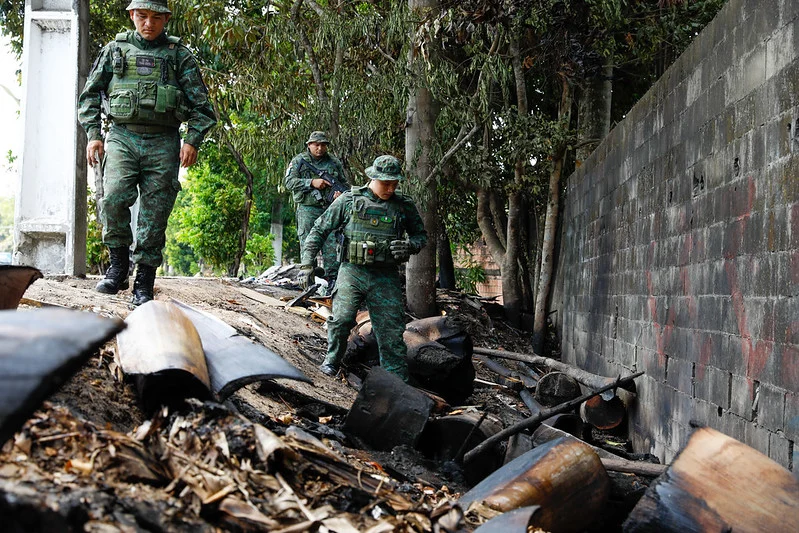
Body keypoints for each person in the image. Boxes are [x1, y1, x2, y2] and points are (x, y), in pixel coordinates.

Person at [78, 0, 216, 306]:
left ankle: (144, 281)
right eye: (142, 16)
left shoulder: (179, 55)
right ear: (131, 15)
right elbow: (88, 96)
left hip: (163, 142)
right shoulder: (116, 50)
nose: (148, 23)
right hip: (122, 138)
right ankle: (118, 268)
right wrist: (94, 135)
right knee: (112, 198)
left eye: (156, 18)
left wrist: (192, 139)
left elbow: (203, 109)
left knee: (155, 215)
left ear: (166, 18)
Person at [299, 155, 428, 382]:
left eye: (394, 183)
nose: (390, 187)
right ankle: (331, 361)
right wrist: (307, 264)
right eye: (385, 182)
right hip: (352, 271)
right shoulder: (349, 200)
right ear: (372, 178)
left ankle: (395, 381)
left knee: (390, 331)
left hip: (385, 276)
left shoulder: (403, 205)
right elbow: (319, 230)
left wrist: (409, 246)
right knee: (341, 319)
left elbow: (421, 236)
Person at [284, 131, 349, 292]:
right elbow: (289, 182)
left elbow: (344, 185)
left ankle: (333, 283)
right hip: (308, 209)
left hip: (329, 210)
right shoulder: (299, 161)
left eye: (323, 145)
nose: (319, 148)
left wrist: (340, 195)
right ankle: (308, 282)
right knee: (308, 244)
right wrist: (312, 182)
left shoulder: (334, 162)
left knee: (332, 245)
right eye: (316, 145)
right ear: (309, 145)